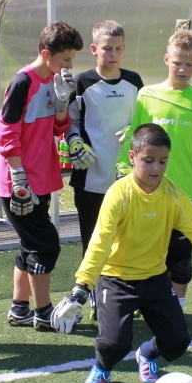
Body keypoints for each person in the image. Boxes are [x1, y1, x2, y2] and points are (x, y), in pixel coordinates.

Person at [49, 123, 192, 383]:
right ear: (132, 157)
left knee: (177, 343)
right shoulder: (119, 193)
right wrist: (81, 289)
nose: (156, 168)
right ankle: (102, 368)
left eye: (162, 161)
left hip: (155, 279)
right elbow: (100, 242)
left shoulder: (173, 195)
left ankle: (147, 354)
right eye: (148, 161)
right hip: (116, 280)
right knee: (115, 344)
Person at [117, 29, 192, 310]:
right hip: (148, 191)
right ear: (166, 59)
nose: (183, 69)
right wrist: (121, 166)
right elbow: (134, 136)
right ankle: (146, 303)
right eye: (178, 62)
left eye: (189, 64)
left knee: (181, 259)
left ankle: (177, 308)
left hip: (185, 192)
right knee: (147, 253)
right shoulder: (146, 94)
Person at [0, 21, 82, 329]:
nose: (70, 66)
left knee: (30, 245)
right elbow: (5, 132)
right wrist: (18, 176)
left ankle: (20, 309)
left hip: (42, 178)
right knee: (47, 245)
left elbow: (58, 129)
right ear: (46, 54)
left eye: (72, 59)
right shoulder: (22, 83)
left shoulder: (55, 81)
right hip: (21, 184)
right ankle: (43, 312)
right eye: (65, 60)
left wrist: (62, 104)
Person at [67, 20, 143, 256]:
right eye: (107, 48)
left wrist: (135, 127)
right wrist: (73, 141)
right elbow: (70, 122)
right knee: (93, 247)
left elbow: (145, 120)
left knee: (127, 246)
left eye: (118, 48)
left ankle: (124, 292)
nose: (114, 54)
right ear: (94, 49)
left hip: (129, 179)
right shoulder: (81, 82)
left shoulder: (134, 82)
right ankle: (90, 292)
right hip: (90, 179)